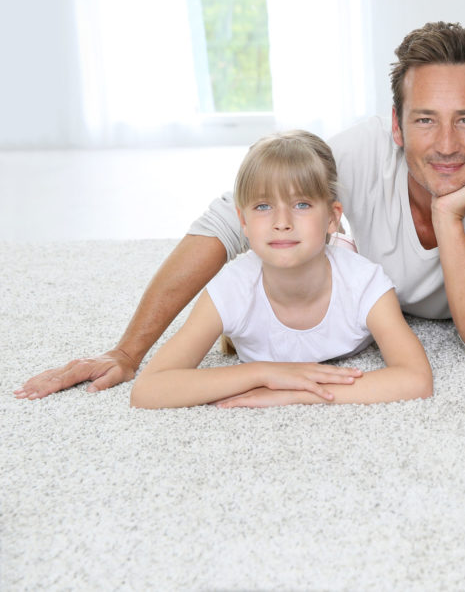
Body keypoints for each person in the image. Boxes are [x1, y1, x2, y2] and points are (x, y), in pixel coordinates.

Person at [16, 22, 465, 400]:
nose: (446, 144)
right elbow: (232, 219)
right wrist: (129, 352)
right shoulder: (364, 150)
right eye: (426, 119)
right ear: (396, 124)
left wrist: (450, 216)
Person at [130, 130, 432, 409]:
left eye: (301, 204)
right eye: (263, 206)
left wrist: (298, 392)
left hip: (339, 252)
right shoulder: (231, 289)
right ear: (243, 222)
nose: (282, 222)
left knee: (341, 249)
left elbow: (415, 378)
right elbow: (148, 389)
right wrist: (263, 374)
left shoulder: (365, 283)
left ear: (331, 216)